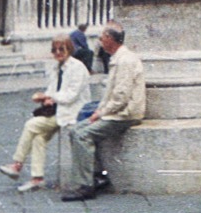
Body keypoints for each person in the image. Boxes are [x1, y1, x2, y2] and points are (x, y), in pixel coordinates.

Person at [60, 21, 145, 201]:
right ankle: (96, 175)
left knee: (83, 134)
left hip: (124, 115)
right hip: (115, 112)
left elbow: (120, 97)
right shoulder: (119, 59)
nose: (99, 41)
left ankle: (86, 185)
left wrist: (100, 113)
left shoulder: (125, 61)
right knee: (76, 130)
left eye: (101, 37)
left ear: (109, 39)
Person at [0, 35, 91, 193]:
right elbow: (53, 90)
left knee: (31, 125)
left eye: (61, 49)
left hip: (72, 112)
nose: (58, 53)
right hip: (59, 110)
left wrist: (51, 98)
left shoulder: (77, 67)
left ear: (69, 49)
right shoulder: (57, 67)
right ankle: (37, 178)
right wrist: (45, 97)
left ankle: (17, 164)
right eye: (55, 50)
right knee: (38, 138)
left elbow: (71, 96)